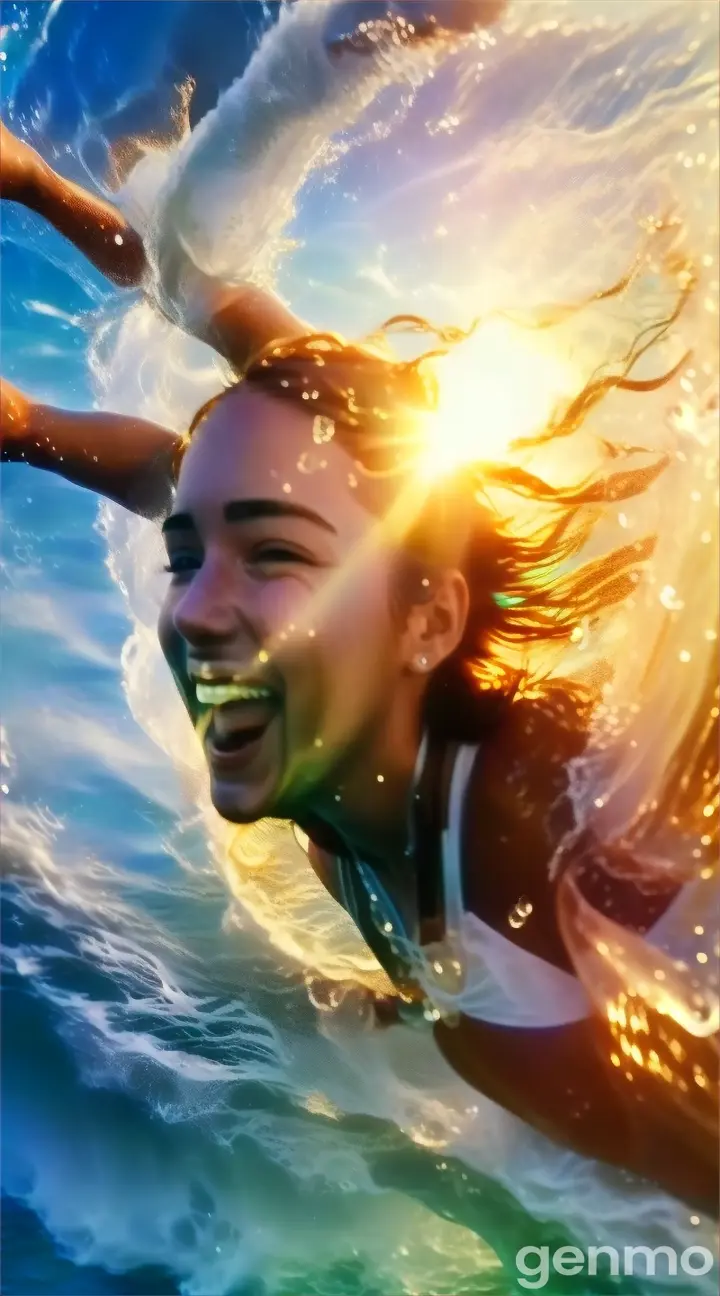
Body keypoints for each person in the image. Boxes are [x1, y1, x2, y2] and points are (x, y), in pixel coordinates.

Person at [1, 105, 717, 1221]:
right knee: (242, 427)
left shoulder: (549, 825)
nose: (188, 613)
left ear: (425, 625)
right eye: (183, 565)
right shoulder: (328, 757)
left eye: (271, 554)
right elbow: (183, 477)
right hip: (472, 950)